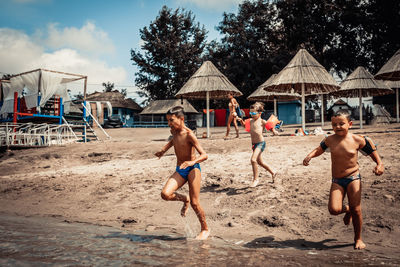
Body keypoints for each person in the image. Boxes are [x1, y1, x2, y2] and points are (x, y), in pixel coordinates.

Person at [303, 109, 384, 250]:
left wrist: (379, 164)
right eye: (334, 124)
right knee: (334, 210)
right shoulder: (330, 140)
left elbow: (372, 151)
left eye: (341, 123)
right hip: (337, 180)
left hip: (353, 178)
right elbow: (319, 149)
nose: (338, 127)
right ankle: (348, 210)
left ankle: (358, 238)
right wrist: (309, 156)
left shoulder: (358, 139)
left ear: (350, 124)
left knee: (357, 209)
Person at [155, 106, 210, 240]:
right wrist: (163, 150)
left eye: (172, 120)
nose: (169, 124)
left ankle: (205, 229)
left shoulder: (189, 134)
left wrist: (191, 162)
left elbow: (204, 155)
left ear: (181, 119)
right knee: (165, 194)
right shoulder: (173, 131)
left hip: (193, 168)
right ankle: (185, 199)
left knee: (195, 203)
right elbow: (173, 141)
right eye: (168, 120)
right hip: (180, 169)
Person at [247, 102, 277, 187]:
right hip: (254, 144)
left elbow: (269, 127)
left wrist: (274, 131)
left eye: (253, 113)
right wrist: (240, 120)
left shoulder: (262, 121)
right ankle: (273, 172)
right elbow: (247, 128)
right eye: (250, 113)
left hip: (261, 143)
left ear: (260, 113)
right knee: (260, 162)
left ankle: (255, 179)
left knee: (253, 160)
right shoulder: (250, 121)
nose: (252, 115)